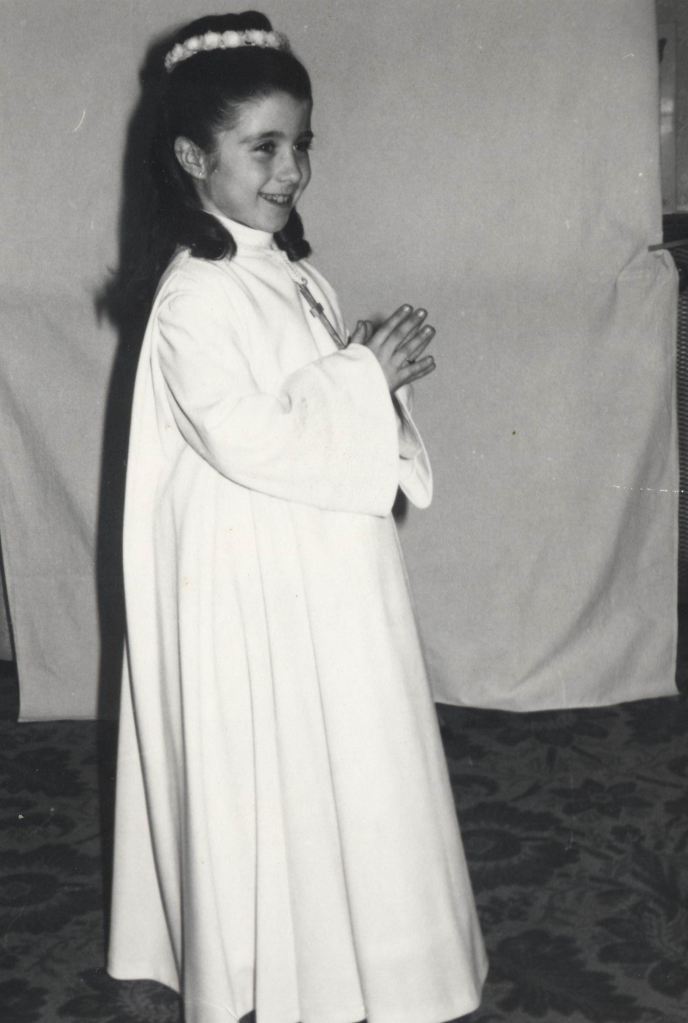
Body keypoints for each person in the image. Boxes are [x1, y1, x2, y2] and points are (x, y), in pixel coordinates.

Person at [107, 11, 487, 1023]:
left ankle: (372, 959)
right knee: (281, 763)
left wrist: (368, 376)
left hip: (321, 566)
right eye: (264, 147)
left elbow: (313, 403)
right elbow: (245, 435)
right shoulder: (194, 296)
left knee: (349, 753)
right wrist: (361, 376)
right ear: (193, 157)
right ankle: (281, 968)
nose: (292, 171)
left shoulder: (292, 270)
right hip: (254, 581)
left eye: (301, 144)